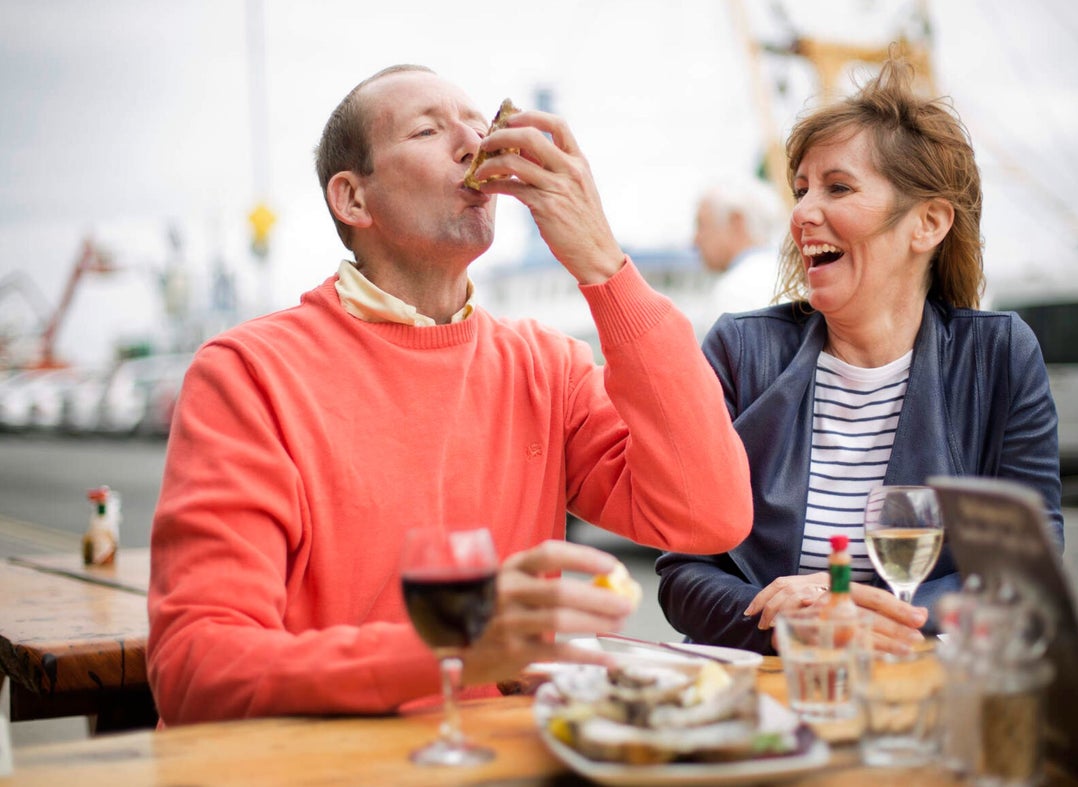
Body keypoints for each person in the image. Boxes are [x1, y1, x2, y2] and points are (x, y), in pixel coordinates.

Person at [146, 64, 753, 726]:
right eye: (430, 129)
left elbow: (711, 514)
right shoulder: (248, 374)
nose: (474, 145)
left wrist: (605, 266)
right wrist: (454, 652)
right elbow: (196, 666)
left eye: (479, 125)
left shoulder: (545, 365)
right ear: (352, 200)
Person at [656, 57, 1064, 656]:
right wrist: (793, 625)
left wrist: (860, 608)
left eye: (837, 187)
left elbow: (1030, 562)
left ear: (928, 222)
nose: (800, 214)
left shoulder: (997, 355)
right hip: (760, 686)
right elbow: (683, 570)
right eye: (800, 191)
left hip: (920, 679)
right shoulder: (740, 350)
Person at [694, 177, 786, 319]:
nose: (695, 240)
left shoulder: (734, 291)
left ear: (736, 221)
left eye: (702, 225)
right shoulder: (793, 276)